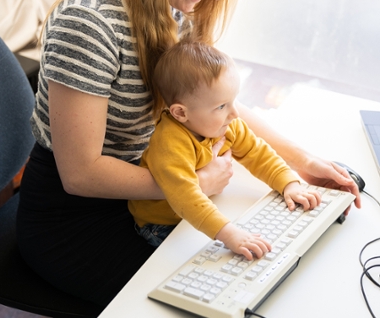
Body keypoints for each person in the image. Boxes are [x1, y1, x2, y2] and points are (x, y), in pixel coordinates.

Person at [16, 0, 360, 310]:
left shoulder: (177, 7)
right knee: (192, 306)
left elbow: (214, 105)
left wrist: (303, 162)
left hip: (146, 189)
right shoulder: (90, 24)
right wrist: (190, 185)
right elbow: (80, 174)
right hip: (72, 217)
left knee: (245, 274)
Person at [129, 41, 322, 257]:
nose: (235, 114)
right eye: (221, 106)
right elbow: (186, 197)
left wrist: (289, 184)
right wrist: (230, 235)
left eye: (234, 101)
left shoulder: (226, 123)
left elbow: (256, 152)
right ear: (181, 113)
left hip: (201, 210)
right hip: (163, 223)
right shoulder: (169, 144)